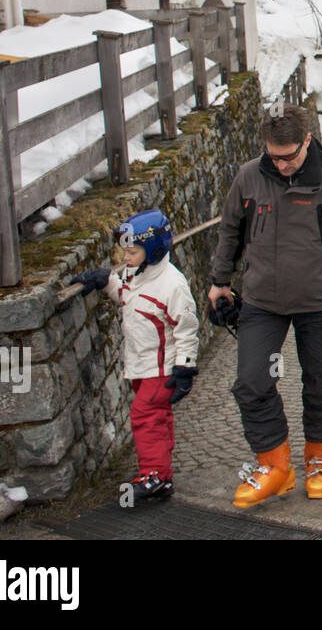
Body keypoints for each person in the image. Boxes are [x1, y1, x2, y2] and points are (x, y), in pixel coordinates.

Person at [210, 103, 322, 508]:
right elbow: (230, 228)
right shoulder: (249, 176)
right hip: (262, 301)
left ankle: (318, 458)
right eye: (273, 156)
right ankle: (275, 465)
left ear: (307, 142)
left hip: (318, 301)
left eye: (289, 156)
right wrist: (219, 282)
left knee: (319, 381)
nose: (280, 165)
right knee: (251, 382)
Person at [70, 209, 199, 505]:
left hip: (161, 368)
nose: (125, 258)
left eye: (132, 252)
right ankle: (162, 476)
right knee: (157, 419)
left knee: (145, 416)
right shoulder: (135, 274)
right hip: (139, 365)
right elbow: (127, 299)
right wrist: (106, 282)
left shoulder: (171, 285)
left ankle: (154, 474)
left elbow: (187, 327)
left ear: (153, 250)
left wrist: (185, 367)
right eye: (124, 252)